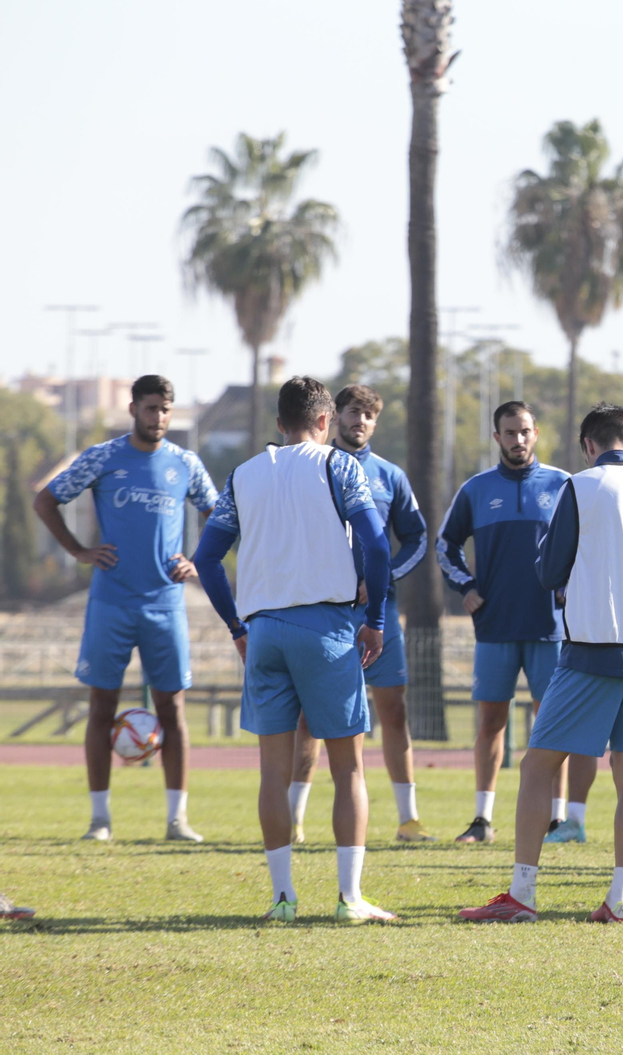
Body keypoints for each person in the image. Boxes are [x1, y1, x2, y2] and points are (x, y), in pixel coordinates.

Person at [459, 404, 623, 924]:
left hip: (591, 650)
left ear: (588, 445)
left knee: (538, 764)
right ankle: (619, 901)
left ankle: (522, 895)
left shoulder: (578, 487)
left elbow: (549, 571)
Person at [193, 376, 396, 923]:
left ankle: (282, 899)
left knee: (272, 773)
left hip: (263, 632)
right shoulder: (340, 465)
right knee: (348, 768)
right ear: (326, 421)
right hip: (326, 628)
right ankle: (350, 899)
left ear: (279, 424)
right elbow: (377, 545)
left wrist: (238, 627)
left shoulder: (243, 474)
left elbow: (207, 558)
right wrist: (374, 619)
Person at [34, 374, 217, 843]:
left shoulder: (186, 464)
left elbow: (221, 516)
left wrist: (196, 563)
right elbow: (46, 500)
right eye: (151, 408)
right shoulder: (102, 457)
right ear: (134, 409)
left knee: (172, 710)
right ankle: (100, 820)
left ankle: (178, 821)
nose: (159, 417)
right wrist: (79, 551)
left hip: (165, 604)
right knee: (101, 708)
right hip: (111, 602)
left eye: (166, 410)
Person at [286, 385, 433, 844]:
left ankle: (409, 820)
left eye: (369, 414)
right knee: (310, 716)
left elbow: (416, 538)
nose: (361, 421)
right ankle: (294, 818)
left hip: (379, 614)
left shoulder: (389, 475)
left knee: (393, 710)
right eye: (353, 412)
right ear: (334, 416)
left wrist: (383, 578)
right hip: (325, 612)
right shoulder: (314, 467)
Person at [436, 402, 571, 845]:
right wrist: (466, 587)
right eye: (509, 433)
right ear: (497, 437)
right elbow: (445, 545)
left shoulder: (563, 484)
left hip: (550, 626)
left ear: (536, 433)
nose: (518, 440)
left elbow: (585, 543)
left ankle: (558, 819)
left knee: (550, 722)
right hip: (494, 625)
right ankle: (482, 819)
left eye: (525, 431)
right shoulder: (476, 489)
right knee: (491, 721)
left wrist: (572, 587)